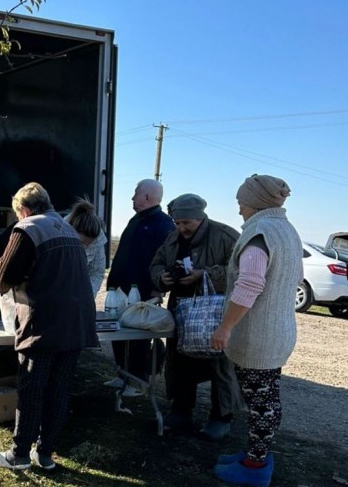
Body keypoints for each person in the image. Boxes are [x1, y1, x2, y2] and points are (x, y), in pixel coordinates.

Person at [0, 182, 98, 471]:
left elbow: (3, 278)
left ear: (22, 209)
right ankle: (45, 454)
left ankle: (19, 455)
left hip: (44, 324)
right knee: (60, 390)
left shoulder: (29, 228)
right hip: (77, 324)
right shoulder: (68, 232)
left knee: (32, 389)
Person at [211, 175, 303, 487]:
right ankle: (254, 454)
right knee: (265, 399)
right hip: (278, 331)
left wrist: (225, 328)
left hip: (259, 338)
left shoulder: (260, 234)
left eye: (241, 204)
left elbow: (250, 284)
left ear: (255, 203)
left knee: (261, 403)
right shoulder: (286, 231)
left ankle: (255, 466)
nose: (239, 211)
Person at [150, 193, 243, 439]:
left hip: (215, 313)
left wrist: (205, 274)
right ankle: (181, 411)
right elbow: (156, 263)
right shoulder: (172, 238)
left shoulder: (226, 236)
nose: (181, 228)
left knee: (220, 363)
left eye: (186, 224)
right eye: (177, 223)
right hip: (181, 311)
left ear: (200, 217)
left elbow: (240, 270)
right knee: (181, 363)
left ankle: (221, 417)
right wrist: (162, 277)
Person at [104, 179, 174, 394]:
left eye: (135, 193)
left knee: (137, 337)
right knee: (119, 331)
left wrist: (158, 288)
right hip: (120, 289)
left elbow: (166, 260)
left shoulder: (163, 223)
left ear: (146, 197)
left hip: (141, 291)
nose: (132, 197)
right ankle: (122, 375)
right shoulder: (136, 220)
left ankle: (136, 381)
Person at [65, 197, 108, 298]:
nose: (85, 247)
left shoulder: (98, 240)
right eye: (82, 243)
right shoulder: (59, 231)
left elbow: (97, 272)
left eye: (89, 244)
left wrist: (88, 297)